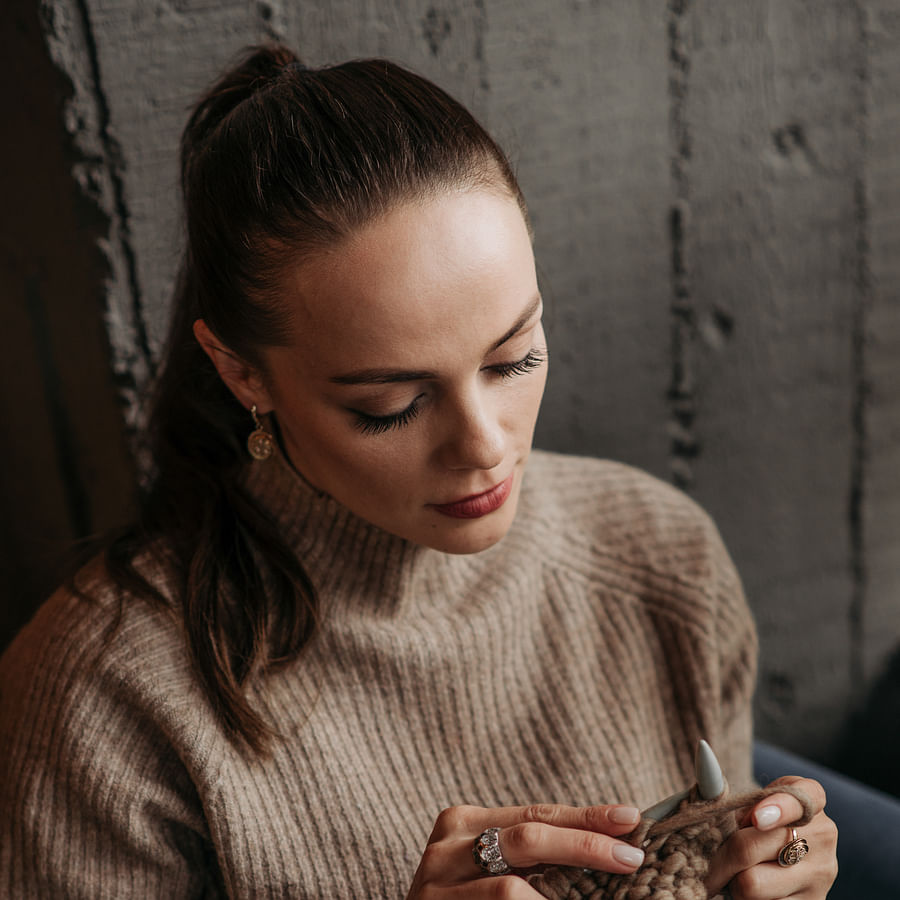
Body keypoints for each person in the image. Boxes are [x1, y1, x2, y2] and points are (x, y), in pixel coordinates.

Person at [0, 44, 837, 898]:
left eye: (513, 358)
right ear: (241, 372)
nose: (482, 445)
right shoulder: (103, 701)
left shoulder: (660, 557)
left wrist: (772, 877)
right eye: (389, 406)